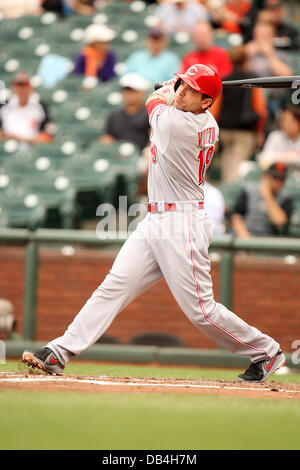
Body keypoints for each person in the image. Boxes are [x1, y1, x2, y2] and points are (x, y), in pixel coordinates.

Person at [22, 64, 285, 384]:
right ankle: (59, 352)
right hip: (156, 218)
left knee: (201, 312)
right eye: (182, 86)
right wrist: (179, 84)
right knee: (113, 285)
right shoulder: (203, 118)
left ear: (205, 103)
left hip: (182, 222)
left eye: (191, 90)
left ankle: (266, 350)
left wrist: (165, 86)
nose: (182, 92)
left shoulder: (178, 124)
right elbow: (168, 98)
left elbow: (153, 102)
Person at [212, 45, 268, 183]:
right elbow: (260, 109)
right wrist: (260, 131)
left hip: (224, 131)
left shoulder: (224, 80)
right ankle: (230, 196)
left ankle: (226, 192)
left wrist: (213, 133)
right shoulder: (252, 80)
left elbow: (214, 109)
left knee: (228, 163)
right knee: (236, 170)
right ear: (246, 60)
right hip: (244, 132)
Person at [232, 162, 293, 237]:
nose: (278, 182)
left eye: (281, 179)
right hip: (245, 234)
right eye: (275, 177)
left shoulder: (286, 197)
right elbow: (237, 217)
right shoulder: (249, 190)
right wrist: (245, 236)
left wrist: (268, 196)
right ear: (266, 177)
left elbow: (279, 222)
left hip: (268, 238)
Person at [0, 71, 55, 145]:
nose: (22, 89)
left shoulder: (41, 107)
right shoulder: (3, 106)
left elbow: (48, 136)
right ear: (13, 87)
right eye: (19, 85)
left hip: (33, 149)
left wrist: (20, 139)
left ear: (31, 87)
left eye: (25, 85)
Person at [100, 73, 151, 151]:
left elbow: (153, 140)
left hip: (143, 157)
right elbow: (108, 137)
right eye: (126, 91)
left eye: (133, 91)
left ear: (142, 93)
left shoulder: (149, 114)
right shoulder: (114, 114)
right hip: (118, 156)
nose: (129, 95)